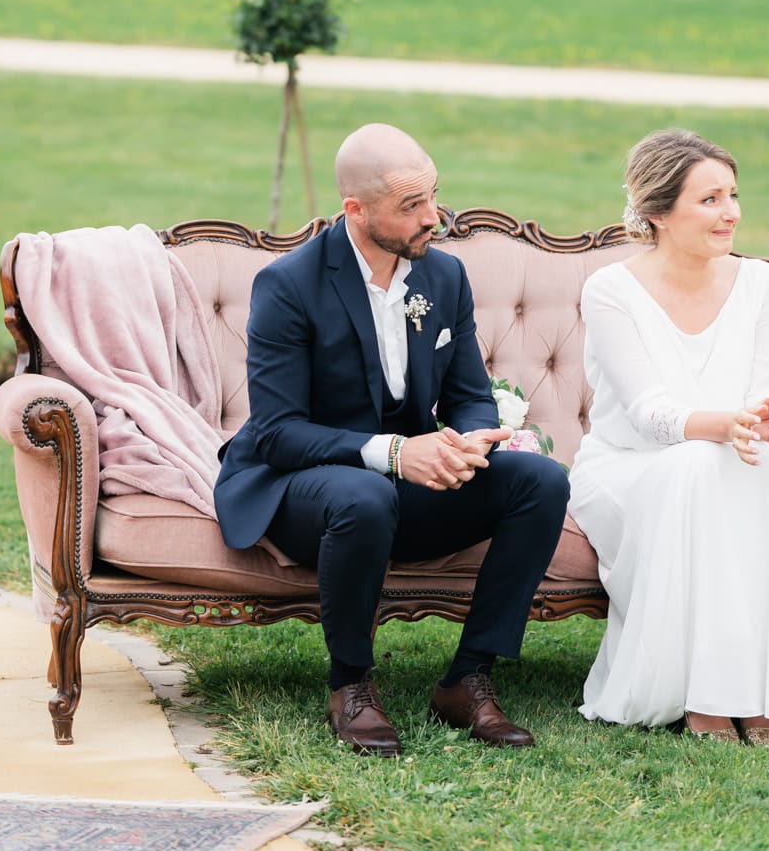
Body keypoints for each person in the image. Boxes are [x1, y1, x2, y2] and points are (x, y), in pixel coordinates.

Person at [214, 122, 570, 757]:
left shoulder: (444, 277)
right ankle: (350, 684)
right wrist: (398, 453)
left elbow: (468, 393)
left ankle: (468, 678)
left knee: (540, 481)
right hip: (302, 488)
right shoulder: (289, 285)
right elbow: (277, 433)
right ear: (356, 210)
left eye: (433, 195)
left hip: (401, 488)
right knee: (365, 495)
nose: (433, 216)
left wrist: (468, 442)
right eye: (411, 205)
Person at [568, 128, 769, 745]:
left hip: (732, 453)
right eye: (711, 200)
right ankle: (704, 696)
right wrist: (725, 427)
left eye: (733, 195)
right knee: (697, 466)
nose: (732, 213)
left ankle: (765, 691)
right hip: (629, 465)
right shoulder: (611, 290)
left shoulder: (761, 285)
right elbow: (647, 414)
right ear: (658, 213)